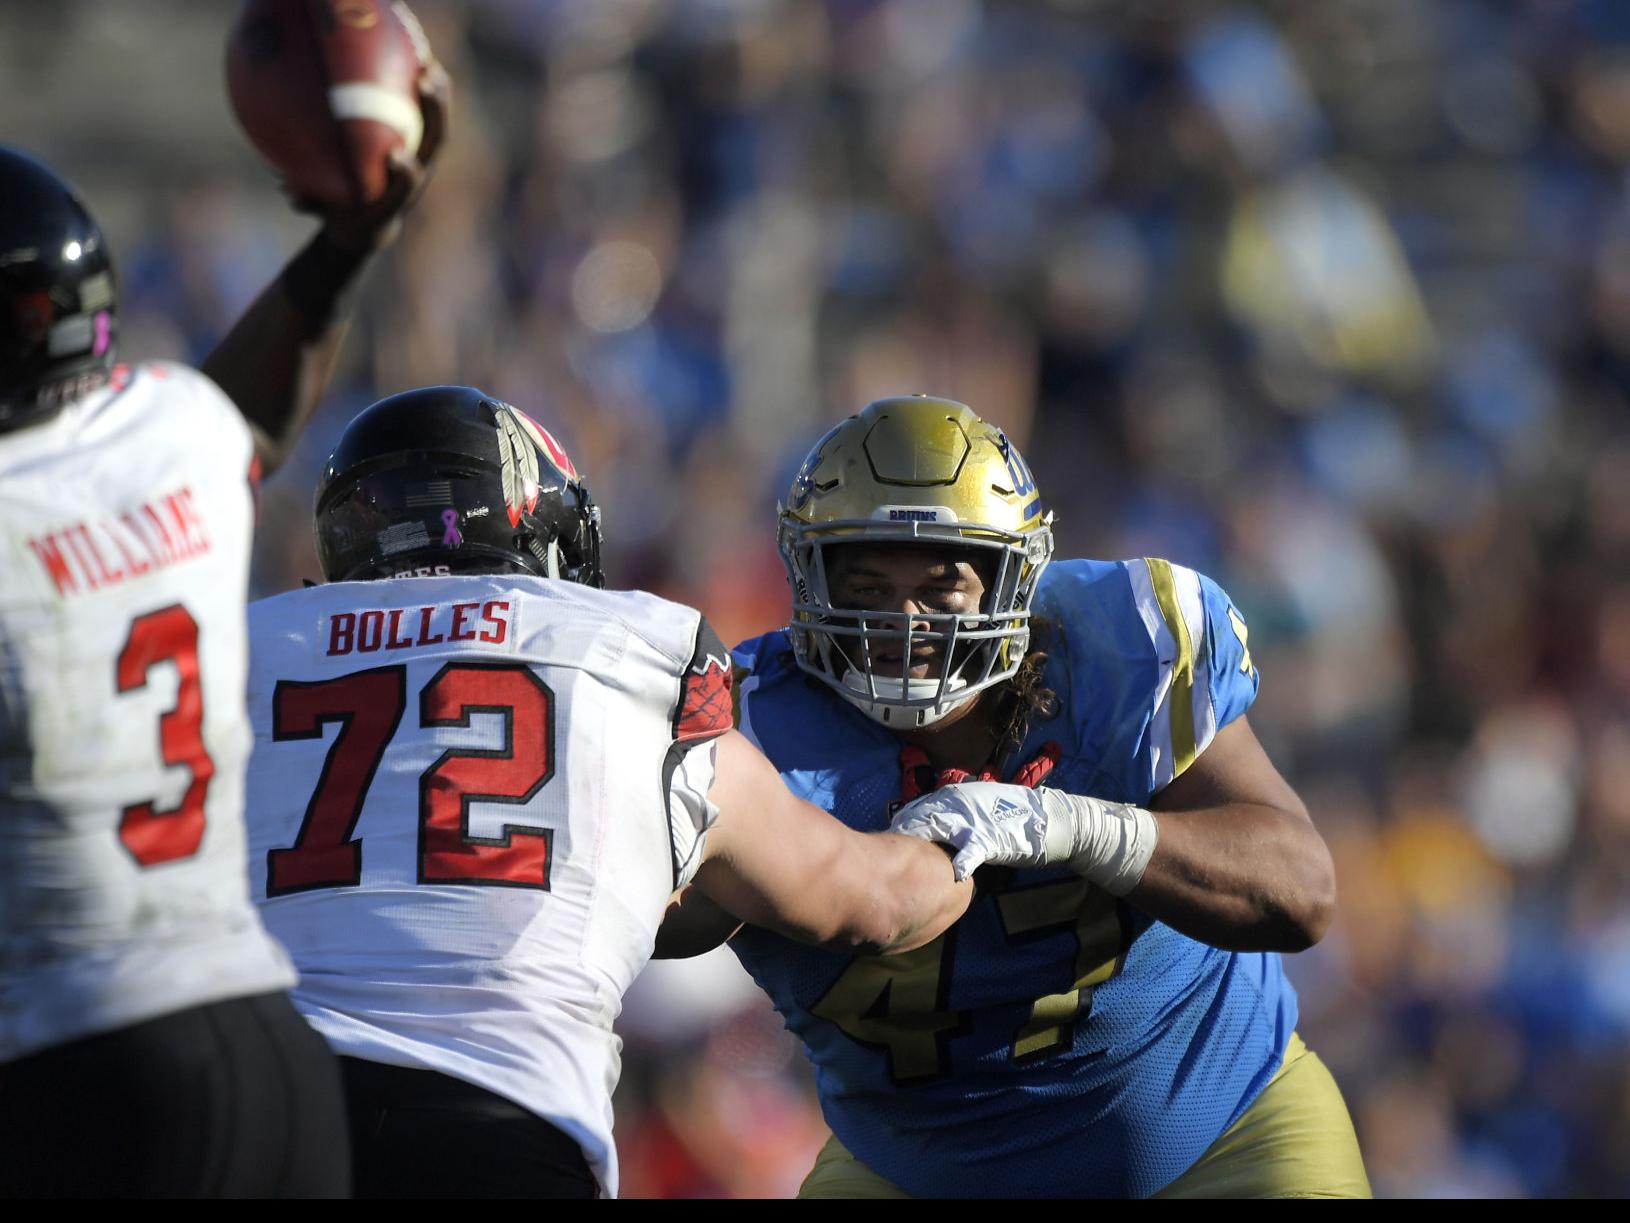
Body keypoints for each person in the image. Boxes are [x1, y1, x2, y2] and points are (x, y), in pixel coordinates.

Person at [239, 384, 976, 1199]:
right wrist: (1005, 823)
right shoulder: (629, 657)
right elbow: (869, 901)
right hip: (496, 1135)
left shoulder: (249, 649)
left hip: (262, 1124)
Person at [661, 393, 1371, 1198]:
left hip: (1223, 1138)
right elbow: (640, 921)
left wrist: (1080, 827)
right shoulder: (745, 724)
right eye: (865, 582)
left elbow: (1301, 891)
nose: (904, 620)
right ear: (807, 574)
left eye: (942, 584)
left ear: (1013, 577)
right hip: (914, 1174)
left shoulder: (1119, 650)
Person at [0, 64, 446, 1198]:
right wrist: (347, 243)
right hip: (270, 1044)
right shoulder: (175, 436)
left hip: (80, 1070)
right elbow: (251, 406)